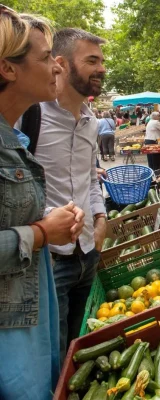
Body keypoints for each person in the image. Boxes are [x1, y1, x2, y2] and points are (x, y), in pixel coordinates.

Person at [0, 9, 85, 397]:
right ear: (8, 68)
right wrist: (40, 233)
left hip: (30, 317)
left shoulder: (15, 138)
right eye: (46, 57)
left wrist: (49, 219)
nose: (56, 67)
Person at [33, 27, 108, 362]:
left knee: (80, 351)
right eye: (92, 60)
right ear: (60, 64)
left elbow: (90, 177)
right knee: (55, 356)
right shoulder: (30, 117)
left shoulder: (91, 121)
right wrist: (49, 219)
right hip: (48, 261)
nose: (102, 68)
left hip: (88, 255)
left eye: (102, 61)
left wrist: (100, 214)